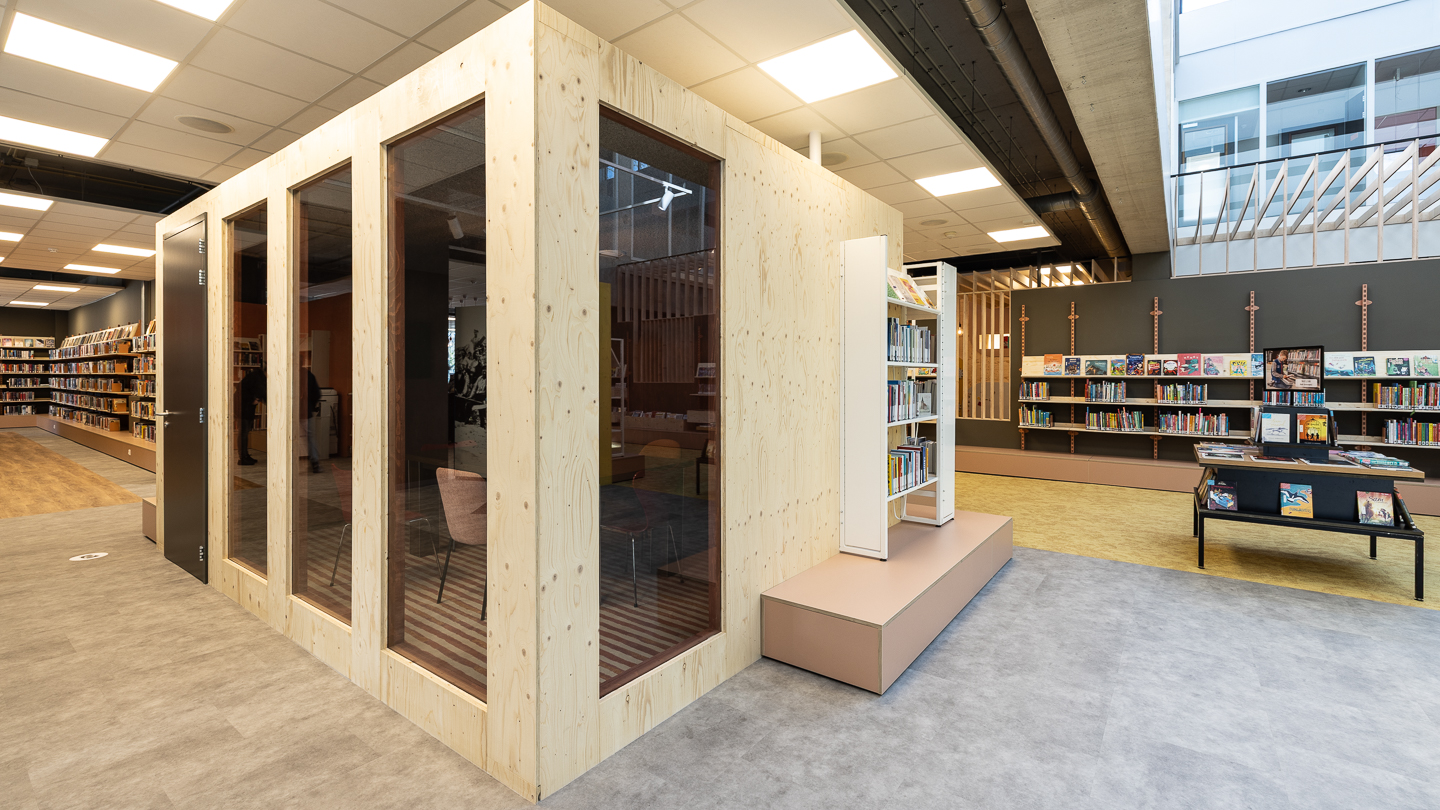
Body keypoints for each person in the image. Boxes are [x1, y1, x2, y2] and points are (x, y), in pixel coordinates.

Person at [238, 366, 265, 465]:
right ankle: (243, 457)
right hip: (244, 408)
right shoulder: (257, 377)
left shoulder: (257, 376)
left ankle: (245, 455)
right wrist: (252, 400)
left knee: (245, 432)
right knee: (244, 433)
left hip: (246, 407)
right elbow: (243, 390)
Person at [303, 368, 322, 473]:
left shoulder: (290, 375)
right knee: (310, 437)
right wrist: (311, 405)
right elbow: (317, 394)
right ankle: (315, 462)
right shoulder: (309, 375)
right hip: (306, 411)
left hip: (293, 412)